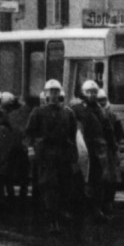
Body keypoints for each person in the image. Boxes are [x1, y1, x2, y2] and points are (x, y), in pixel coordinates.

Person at [26, 79, 82, 234]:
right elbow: (29, 133)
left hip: (63, 154)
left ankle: (60, 214)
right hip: (46, 155)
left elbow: (72, 134)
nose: (54, 94)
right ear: (45, 94)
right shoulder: (38, 112)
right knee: (49, 187)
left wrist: (74, 153)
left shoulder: (68, 112)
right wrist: (31, 149)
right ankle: (52, 220)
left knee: (65, 186)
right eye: (51, 91)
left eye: (56, 91)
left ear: (60, 94)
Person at [73, 81, 113, 221]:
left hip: (98, 150)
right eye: (89, 91)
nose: (92, 94)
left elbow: (108, 131)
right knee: (81, 179)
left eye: (94, 92)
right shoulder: (76, 109)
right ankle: (80, 209)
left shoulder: (101, 110)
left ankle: (97, 209)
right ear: (83, 92)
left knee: (99, 180)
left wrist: (112, 148)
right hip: (82, 149)